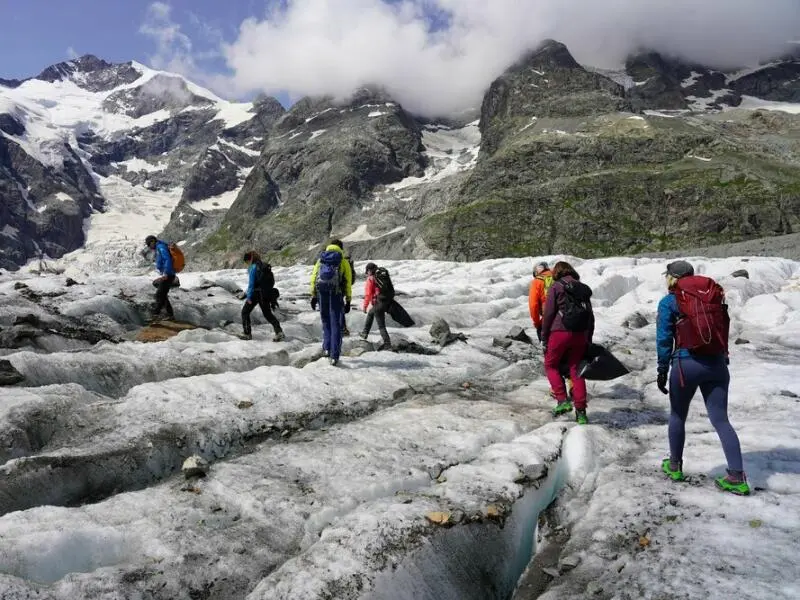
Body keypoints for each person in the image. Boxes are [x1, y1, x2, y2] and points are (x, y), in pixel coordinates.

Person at [656, 260, 749, 495]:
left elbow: (664, 338)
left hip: (686, 364)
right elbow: (722, 327)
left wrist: (662, 369)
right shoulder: (712, 297)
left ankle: (675, 466)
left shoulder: (670, 301)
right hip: (716, 364)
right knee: (721, 420)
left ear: (673, 278)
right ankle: (737, 477)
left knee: (678, 414)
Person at [540, 261, 594, 424]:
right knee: (576, 370)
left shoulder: (556, 286)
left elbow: (549, 313)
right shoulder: (582, 287)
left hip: (559, 332)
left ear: (557, 272)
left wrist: (544, 335)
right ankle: (581, 412)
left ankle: (562, 401)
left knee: (551, 365)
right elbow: (590, 315)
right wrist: (588, 337)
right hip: (580, 333)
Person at [310, 239, 353, 365]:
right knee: (336, 324)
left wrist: (313, 295)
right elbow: (348, 282)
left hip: (321, 293)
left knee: (325, 321)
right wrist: (348, 300)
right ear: (340, 248)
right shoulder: (343, 261)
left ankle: (326, 349)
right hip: (336, 294)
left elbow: (314, 277)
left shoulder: (321, 259)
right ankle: (334, 355)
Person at [241, 251, 284, 342]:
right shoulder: (263, 266)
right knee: (267, 314)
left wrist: (249, 297)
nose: (246, 264)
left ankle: (247, 333)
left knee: (245, 312)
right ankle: (279, 332)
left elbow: (251, 284)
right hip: (265, 293)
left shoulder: (253, 267)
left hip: (256, 293)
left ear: (249, 260)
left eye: (246, 262)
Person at [359, 262, 392, 350]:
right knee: (371, 313)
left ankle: (387, 344)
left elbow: (368, 294)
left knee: (381, 325)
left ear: (369, 270)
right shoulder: (380, 277)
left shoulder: (371, 279)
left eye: (367, 271)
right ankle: (365, 333)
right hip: (384, 301)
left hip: (378, 303)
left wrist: (365, 306)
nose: (367, 273)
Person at [145, 235, 175, 322]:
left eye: (149, 244)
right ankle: (170, 315)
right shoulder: (160, 247)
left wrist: (165, 272)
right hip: (168, 274)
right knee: (162, 294)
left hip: (168, 274)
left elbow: (167, 259)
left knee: (159, 295)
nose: (149, 247)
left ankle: (155, 315)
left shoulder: (161, 247)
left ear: (153, 242)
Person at [341, 253, 355, 337]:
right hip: (340, 292)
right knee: (340, 311)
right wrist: (348, 300)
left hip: (325, 290)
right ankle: (343, 329)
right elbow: (350, 282)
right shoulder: (346, 265)